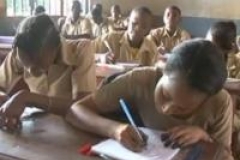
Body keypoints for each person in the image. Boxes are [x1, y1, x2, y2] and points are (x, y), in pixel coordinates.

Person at [68, 39, 232, 152]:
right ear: (163, 70)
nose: (166, 108)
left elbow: (225, 154)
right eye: (165, 94)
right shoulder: (140, 80)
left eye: (182, 108)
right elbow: (76, 110)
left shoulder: (219, 102)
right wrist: (114, 129)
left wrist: (204, 137)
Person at [0, 14, 96, 129]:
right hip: (41, 129)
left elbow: (83, 107)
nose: (31, 71)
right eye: (25, 64)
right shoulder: (18, 53)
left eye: (38, 64)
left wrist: (28, 98)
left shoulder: (81, 50)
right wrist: (6, 101)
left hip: (73, 129)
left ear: (55, 48)